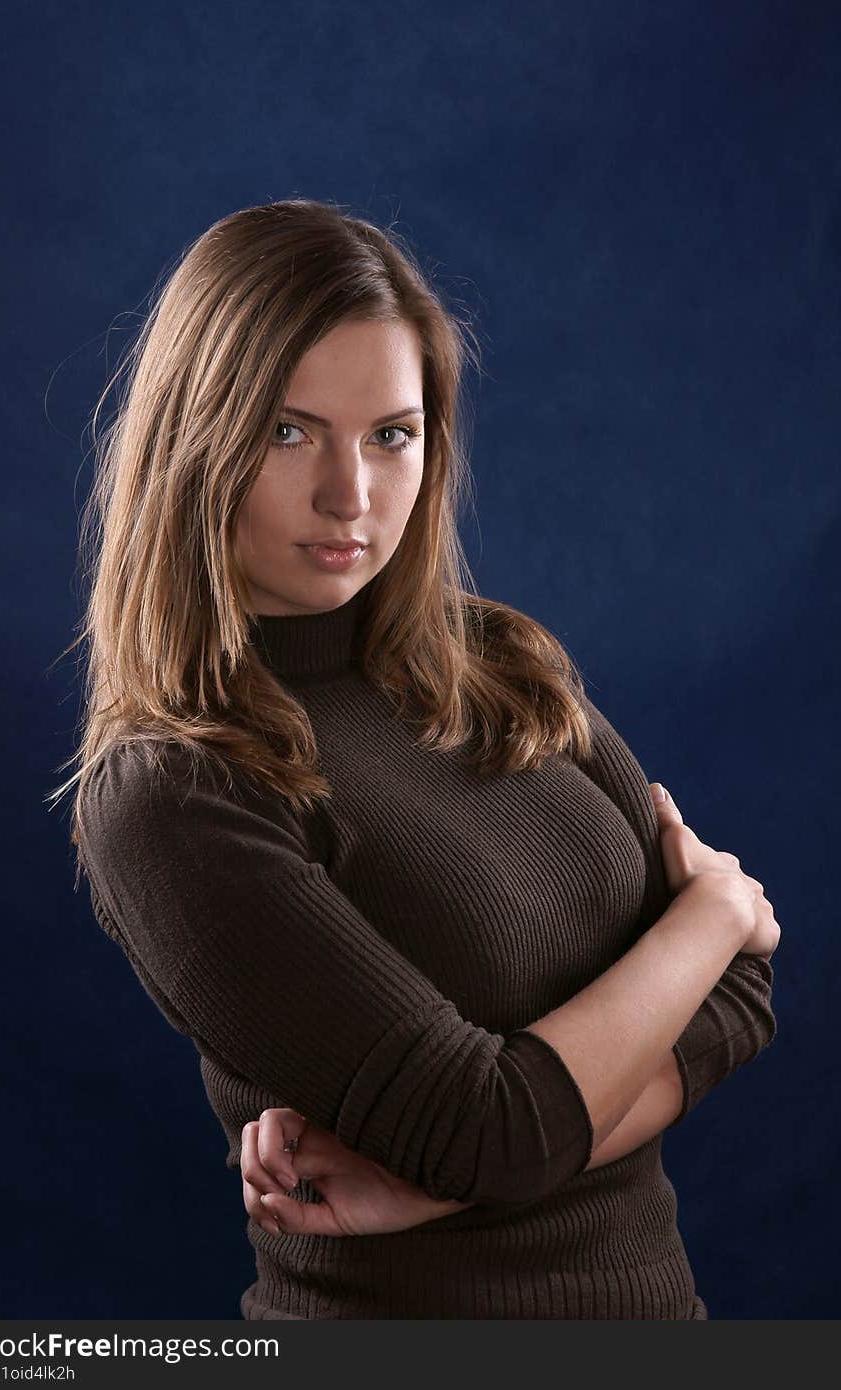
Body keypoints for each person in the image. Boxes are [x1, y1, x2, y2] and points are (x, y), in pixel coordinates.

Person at [51, 198, 779, 1320]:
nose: (352, 496)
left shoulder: (497, 664)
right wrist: (711, 914)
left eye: (391, 434)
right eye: (287, 431)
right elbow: (494, 1123)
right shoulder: (175, 792)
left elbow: (738, 1000)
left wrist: (442, 1186)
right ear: (196, 440)